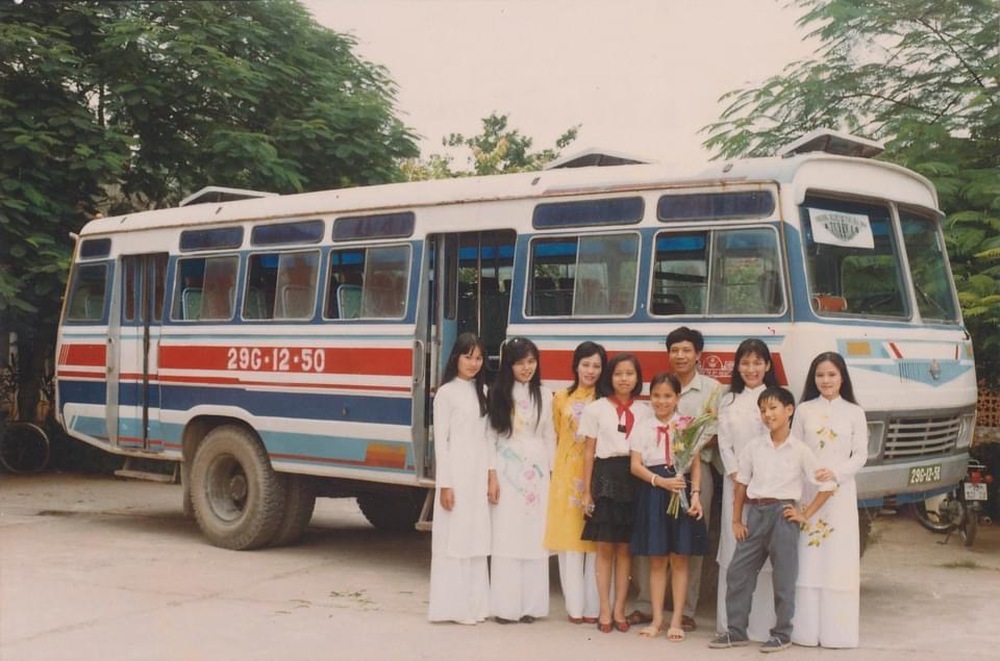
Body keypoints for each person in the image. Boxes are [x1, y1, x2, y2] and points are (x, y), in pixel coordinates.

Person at [709, 386, 835, 653]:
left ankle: (782, 633)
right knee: (738, 572)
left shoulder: (800, 450)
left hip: (783, 516)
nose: (767, 414)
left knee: (784, 578)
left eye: (773, 408)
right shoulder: (754, 447)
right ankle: (736, 630)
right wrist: (736, 520)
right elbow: (741, 484)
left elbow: (828, 486)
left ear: (789, 410)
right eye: (763, 410)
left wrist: (804, 514)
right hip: (755, 515)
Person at [790, 352, 867, 648]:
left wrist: (834, 472)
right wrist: (810, 475)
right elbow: (794, 449)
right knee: (808, 556)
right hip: (808, 490)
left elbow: (861, 454)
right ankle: (804, 631)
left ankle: (838, 633)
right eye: (820, 375)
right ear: (813, 379)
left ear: (842, 377)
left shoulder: (855, 412)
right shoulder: (804, 410)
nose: (826, 381)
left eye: (832, 375)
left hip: (840, 492)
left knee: (837, 557)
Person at [629, 372, 707, 642]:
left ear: (677, 398)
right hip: (655, 492)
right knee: (657, 559)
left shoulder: (686, 425)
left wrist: (695, 494)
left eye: (668, 396)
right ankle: (657, 619)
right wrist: (659, 481)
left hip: (681, 491)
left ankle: (676, 620)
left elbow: (695, 464)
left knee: (680, 557)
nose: (661, 401)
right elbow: (635, 465)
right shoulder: (642, 425)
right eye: (656, 396)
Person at [428, 333, 496, 624]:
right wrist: (445, 484)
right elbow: (441, 443)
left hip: (479, 472)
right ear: (455, 357)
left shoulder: (484, 392)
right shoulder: (446, 393)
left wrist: (492, 476)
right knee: (454, 539)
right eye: (468, 356)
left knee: (477, 538)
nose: (473, 363)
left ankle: (477, 606)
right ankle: (453, 608)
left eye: (479, 357)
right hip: (456, 472)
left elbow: (490, 438)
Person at [487, 337, 555, 623]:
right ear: (509, 365)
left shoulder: (545, 394)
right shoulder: (497, 393)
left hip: (538, 474)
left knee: (533, 536)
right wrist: (491, 475)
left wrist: (551, 473)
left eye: (531, 361)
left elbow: (549, 436)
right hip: (507, 469)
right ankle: (506, 607)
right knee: (507, 534)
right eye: (519, 362)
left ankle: (531, 607)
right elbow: (490, 437)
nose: (526, 368)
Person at [716, 338, 779, 640]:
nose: (751, 369)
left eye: (757, 363)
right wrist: (736, 474)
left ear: (768, 365)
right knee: (736, 549)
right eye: (745, 363)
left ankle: (763, 625)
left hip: (770, 487)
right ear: (737, 366)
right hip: (738, 486)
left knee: (766, 553)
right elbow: (724, 443)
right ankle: (731, 625)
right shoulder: (728, 401)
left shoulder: (777, 398)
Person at [580, 353, 646, 633]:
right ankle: (604, 610)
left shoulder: (646, 410)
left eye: (629, 373)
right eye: (618, 373)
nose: (624, 379)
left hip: (634, 478)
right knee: (604, 547)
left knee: (625, 549)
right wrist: (586, 492)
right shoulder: (595, 409)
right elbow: (588, 452)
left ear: (637, 378)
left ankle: (620, 608)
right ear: (610, 377)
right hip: (605, 477)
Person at [544, 341, 608, 625]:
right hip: (566, 475)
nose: (590, 371)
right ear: (576, 366)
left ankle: (594, 607)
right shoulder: (560, 397)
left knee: (595, 543)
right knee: (570, 543)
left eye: (596, 366)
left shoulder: (606, 400)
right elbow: (556, 434)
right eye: (585, 364)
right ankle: (575, 608)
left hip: (597, 474)